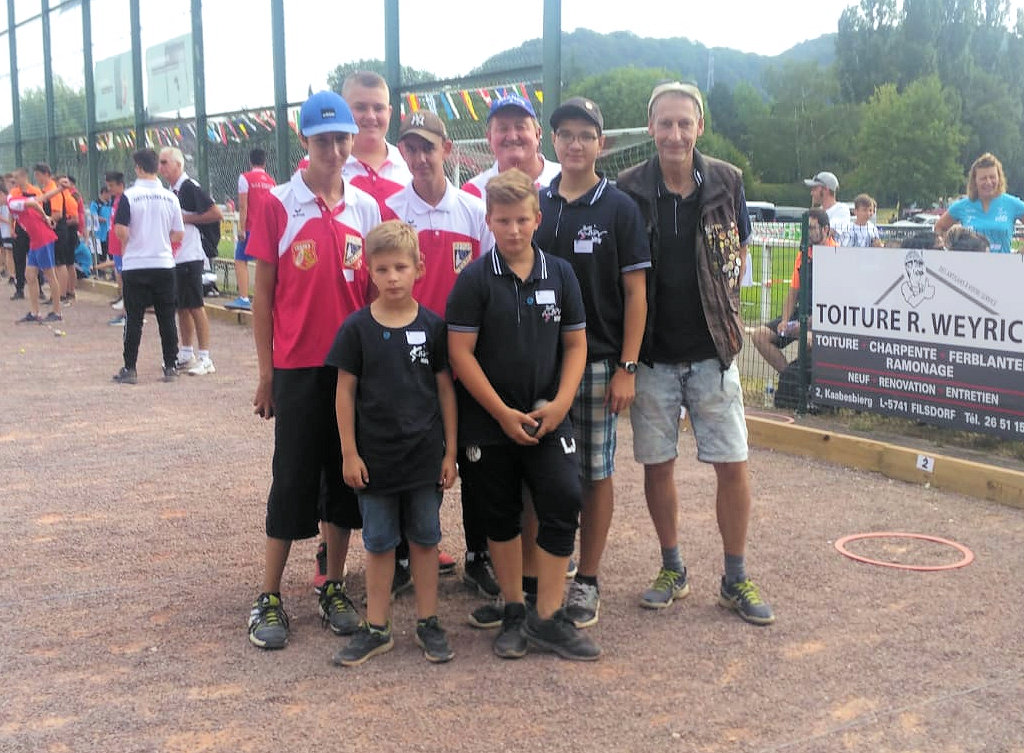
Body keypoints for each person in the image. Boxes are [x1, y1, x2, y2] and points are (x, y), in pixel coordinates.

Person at [617, 82, 775, 626]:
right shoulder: (629, 188)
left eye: (685, 123)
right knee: (657, 464)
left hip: (713, 351)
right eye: (665, 123)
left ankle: (735, 577)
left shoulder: (728, 180)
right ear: (650, 127)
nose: (675, 134)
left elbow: (740, 248)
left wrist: (724, 311)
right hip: (653, 354)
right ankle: (672, 568)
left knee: (732, 463)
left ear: (699, 126)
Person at [245, 90, 381, 651]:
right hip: (298, 366)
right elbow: (263, 295)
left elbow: (372, 291)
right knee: (293, 477)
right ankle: (268, 595)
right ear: (304, 140)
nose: (335, 149)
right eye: (323, 139)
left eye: (342, 138)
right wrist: (267, 372)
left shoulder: (365, 207)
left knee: (344, 476)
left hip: (349, 369)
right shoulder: (278, 203)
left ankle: (332, 586)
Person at [446, 168, 599, 661]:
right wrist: (500, 413)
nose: (513, 230)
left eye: (521, 220)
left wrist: (561, 403)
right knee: (499, 512)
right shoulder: (473, 280)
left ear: (537, 219)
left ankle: (547, 616)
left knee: (564, 497)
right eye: (503, 220)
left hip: (548, 415)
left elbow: (575, 345)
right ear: (489, 221)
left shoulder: (561, 274)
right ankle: (514, 609)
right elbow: (460, 353)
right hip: (489, 422)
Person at [534, 96, 650, 628]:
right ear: (553, 141)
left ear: (601, 143)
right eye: (566, 135)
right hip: (540, 361)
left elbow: (636, 293)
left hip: (600, 361)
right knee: (539, 470)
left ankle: (588, 578)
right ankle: (539, 573)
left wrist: (628, 366)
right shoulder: (539, 203)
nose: (575, 144)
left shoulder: (620, 207)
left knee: (595, 472)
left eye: (585, 135)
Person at [327, 220, 457, 666]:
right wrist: (349, 452)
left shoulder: (434, 327)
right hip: (375, 459)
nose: (392, 277)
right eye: (382, 269)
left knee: (425, 538)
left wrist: (450, 451)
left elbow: (445, 392)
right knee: (379, 542)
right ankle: (377, 627)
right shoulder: (356, 328)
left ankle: (428, 621)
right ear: (369, 271)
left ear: (419, 268)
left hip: (424, 458)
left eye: (401, 267)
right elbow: (344, 391)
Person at [385, 110, 499, 598]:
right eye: (410, 148)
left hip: (464, 356)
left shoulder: (473, 210)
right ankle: (403, 555)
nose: (419, 157)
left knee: (475, 458)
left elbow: (490, 283)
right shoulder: (389, 209)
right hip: (408, 358)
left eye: (428, 147)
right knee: (409, 454)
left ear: (446, 150)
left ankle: (478, 555)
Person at [111, 149, 185, 384]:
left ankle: (130, 368)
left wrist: (135, 241)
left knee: (134, 317)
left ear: (139, 168)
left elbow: (121, 231)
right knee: (167, 318)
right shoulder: (170, 197)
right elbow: (179, 233)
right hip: (163, 263)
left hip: (136, 264)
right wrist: (159, 239)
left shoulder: (129, 196)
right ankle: (171, 366)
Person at [157, 147, 222, 376]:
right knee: (182, 306)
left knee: (195, 305)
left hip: (192, 255)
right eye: (159, 162)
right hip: (177, 256)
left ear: (178, 164)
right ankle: (186, 352)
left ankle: (205, 357)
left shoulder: (189, 187)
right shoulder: (172, 190)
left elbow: (215, 213)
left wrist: (185, 219)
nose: (161, 167)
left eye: (165, 162)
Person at [752, 208, 835, 375]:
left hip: (825, 317)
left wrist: (809, 323)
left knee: (807, 341)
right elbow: (793, 292)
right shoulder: (803, 254)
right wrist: (785, 320)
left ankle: (804, 382)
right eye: (805, 228)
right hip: (802, 313)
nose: (807, 232)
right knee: (759, 335)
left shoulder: (837, 254)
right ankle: (790, 377)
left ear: (825, 229)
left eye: (811, 228)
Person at [462, 93, 561, 204]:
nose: (512, 137)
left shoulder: (566, 179)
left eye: (520, 127)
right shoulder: (472, 193)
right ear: (489, 138)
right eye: (503, 128)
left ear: (537, 134)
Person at [341, 71, 413, 211]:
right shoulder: (318, 166)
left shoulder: (410, 164)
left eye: (379, 108)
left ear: (389, 113)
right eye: (360, 108)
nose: (370, 116)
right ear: (343, 110)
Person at [933, 152, 1024, 253]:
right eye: (983, 178)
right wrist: (950, 249)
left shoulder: (1012, 204)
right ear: (975, 181)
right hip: (969, 262)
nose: (988, 182)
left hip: (1003, 262)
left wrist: (1019, 254)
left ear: (999, 178)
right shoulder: (962, 206)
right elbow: (939, 228)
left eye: (992, 177)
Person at [8, 168, 63, 324]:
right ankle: (35, 312)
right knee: (30, 275)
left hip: (42, 238)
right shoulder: (14, 197)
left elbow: (37, 201)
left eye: (15, 180)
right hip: (35, 240)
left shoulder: (13, 201)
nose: (14, 183)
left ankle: (57, 312)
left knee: (50, 275)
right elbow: (38, 201)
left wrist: (46, 216)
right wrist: (45, 216)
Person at [227, 149, 276, 311]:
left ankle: (243, 297)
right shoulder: (271, 181)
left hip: (251, 227)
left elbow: (243, 205)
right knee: (264, 263)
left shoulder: (245, 178)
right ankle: (267, 299)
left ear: (250, 161)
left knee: (240, 260)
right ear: (265, 162)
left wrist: (241, 228)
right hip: (266, 228)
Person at [8, 169, 43, 301]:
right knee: (19, 259)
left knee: (36, 259)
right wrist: (12, 228)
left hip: (33, 228)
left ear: (24, 177)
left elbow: (39, 208)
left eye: (16, 178)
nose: (15, 182)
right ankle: (19, 289)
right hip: (20, 228)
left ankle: (39, 288)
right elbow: (11, 212)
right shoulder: (14, 192)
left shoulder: (35, 191)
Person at [105, 172, 127, 326]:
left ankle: (127, 314)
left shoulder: (124, 200)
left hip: (122, 246)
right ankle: (125, 310)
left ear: (120, 185)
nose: (109, 189)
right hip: (115, 246)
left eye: (112, 186)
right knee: (120, 278)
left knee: (125, 279)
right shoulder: (116, 200)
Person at [803, 170, 849, 237]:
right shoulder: (818, 210)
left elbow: (825, 233)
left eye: (815, 189)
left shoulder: (841, 209)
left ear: (826, 189)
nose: (811, 193)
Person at [89, 185, 112, 264]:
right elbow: (93, 216)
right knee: (100, 256)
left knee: (111, 255)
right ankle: (99, 269)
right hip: (98, 235)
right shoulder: (95, 203)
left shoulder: (110, 203)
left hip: (108, 234)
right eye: (109, 193)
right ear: (104, 193)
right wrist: (101, 219)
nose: (110, 196)